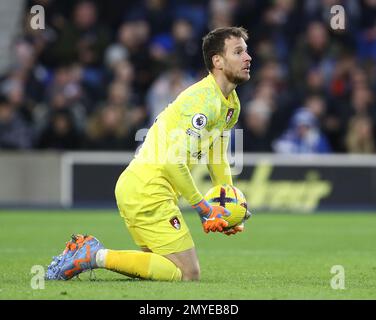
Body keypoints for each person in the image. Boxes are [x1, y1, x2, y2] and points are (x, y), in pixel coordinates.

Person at [46, 27, 252, 282]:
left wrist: (226, 205)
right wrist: (203, 207)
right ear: (217, 61)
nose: (248, 57)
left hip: (144, 188)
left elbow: (217, 155)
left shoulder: (231, 103)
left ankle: (93, 255)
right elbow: (172, 161)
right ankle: (92, 255)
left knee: (164, 268)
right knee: (188, 274)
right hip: (147, 190)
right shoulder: (203, 102)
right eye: (239, 51)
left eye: (246, 50)